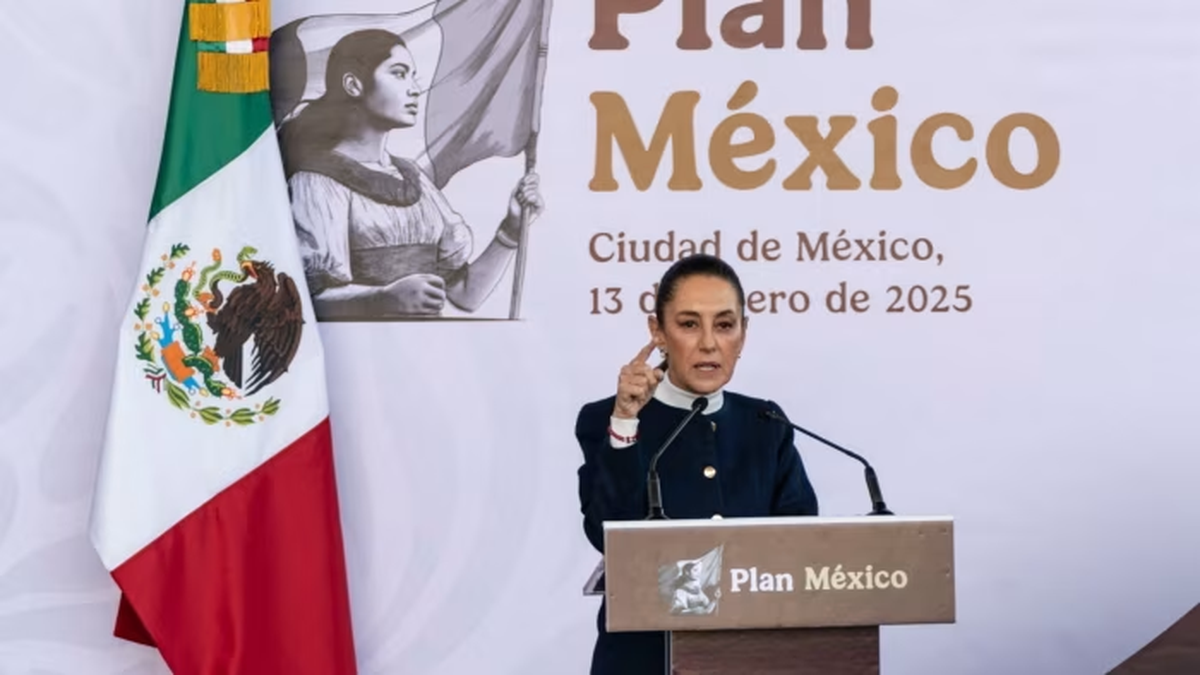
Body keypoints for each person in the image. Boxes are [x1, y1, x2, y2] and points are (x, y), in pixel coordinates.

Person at [574, 254, 820, 675]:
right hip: (644, 660)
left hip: (755, 657)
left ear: (743, 334)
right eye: (689, 324)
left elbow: (799, 543)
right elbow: (605, 531)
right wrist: (626, 420)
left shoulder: (766, 422)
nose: (709, 343)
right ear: (658, 332)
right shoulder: (608, 419)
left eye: (725, 325)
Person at [275, 29, 544, 320]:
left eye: (413, 75)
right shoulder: (317, 181)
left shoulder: (413, 177)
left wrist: (511, 229)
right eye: (399, 73)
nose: (415, 88)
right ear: (353, 84)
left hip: (427, 355)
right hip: (365, 359)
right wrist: (381, 299)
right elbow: (302, 301)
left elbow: (465, 296)